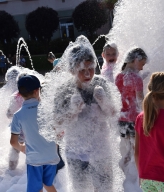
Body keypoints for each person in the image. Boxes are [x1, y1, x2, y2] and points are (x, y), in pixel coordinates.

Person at [52, 36, 121, 191]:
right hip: (76, 153)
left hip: (101, 149)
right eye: (82, 70)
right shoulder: (64, 91)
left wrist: (105, 102)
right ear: (71, 70)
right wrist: (72, 111)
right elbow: (56, 125)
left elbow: (114, 114)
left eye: (91, 68)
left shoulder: (101, 83)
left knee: (105, 189)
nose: (88, 74)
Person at [10, 74, 60, 192]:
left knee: (36, 189)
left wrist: (22, 148)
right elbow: (58, 132)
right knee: (47, 183)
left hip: (34, 159)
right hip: (52, 155)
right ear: (37, 91)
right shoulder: (48, 109)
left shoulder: (18, 115)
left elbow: (13, 142)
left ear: (20, 94)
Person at [115, 48, 147, 170]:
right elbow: (140, 100)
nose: (142, 68)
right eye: (142, 64)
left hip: (121, 119)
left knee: (125, 149)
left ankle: (124, 172)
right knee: (137, 149)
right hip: (134, 119)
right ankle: (139, 175)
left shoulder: (118, 76)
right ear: (136, 60)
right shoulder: (136, 78)